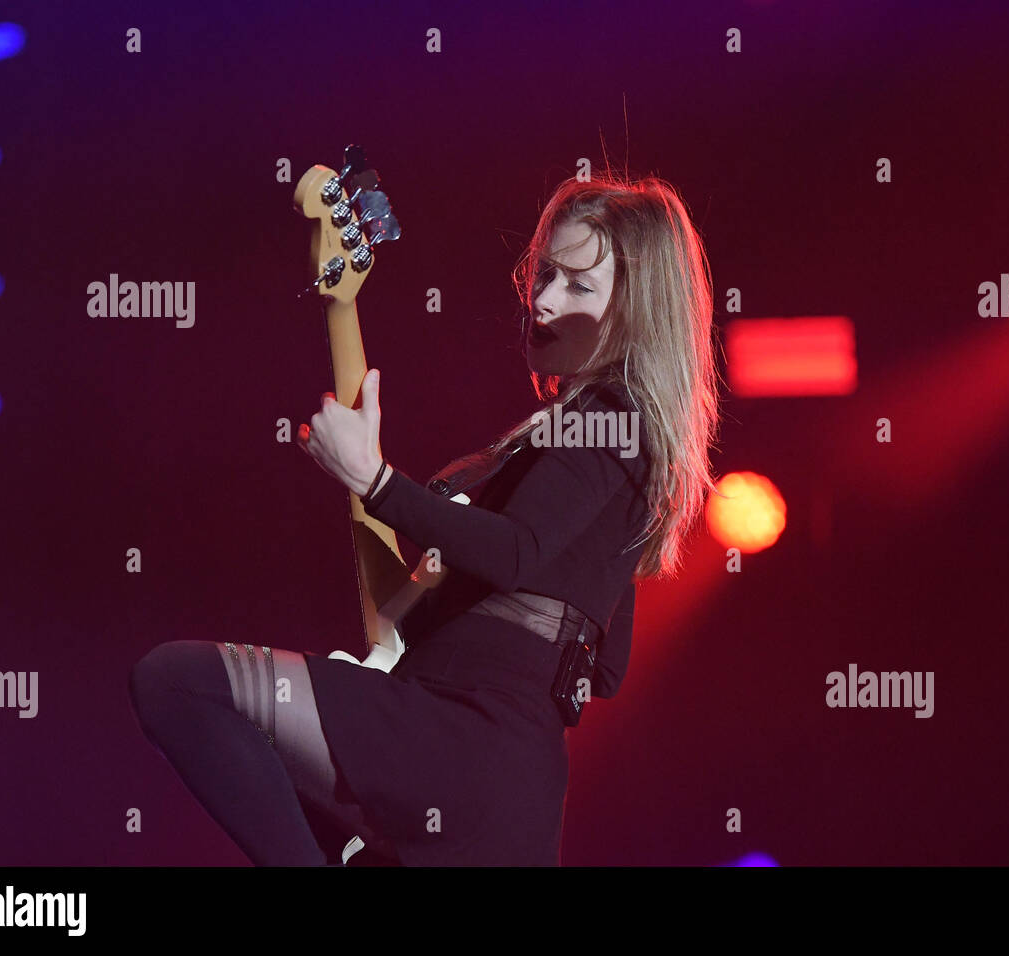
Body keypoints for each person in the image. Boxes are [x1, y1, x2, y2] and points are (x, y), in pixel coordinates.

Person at [127, 170, 721, 865]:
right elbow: (605, 666)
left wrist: (376, 481)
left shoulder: (609, 419)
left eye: (580, 287)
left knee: (179, 682)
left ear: (636, 311)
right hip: (509, 789)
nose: (546, 300)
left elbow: (517, 552)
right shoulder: (608, 445)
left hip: (465, 747)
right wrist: (418, 627)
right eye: (546, 274)